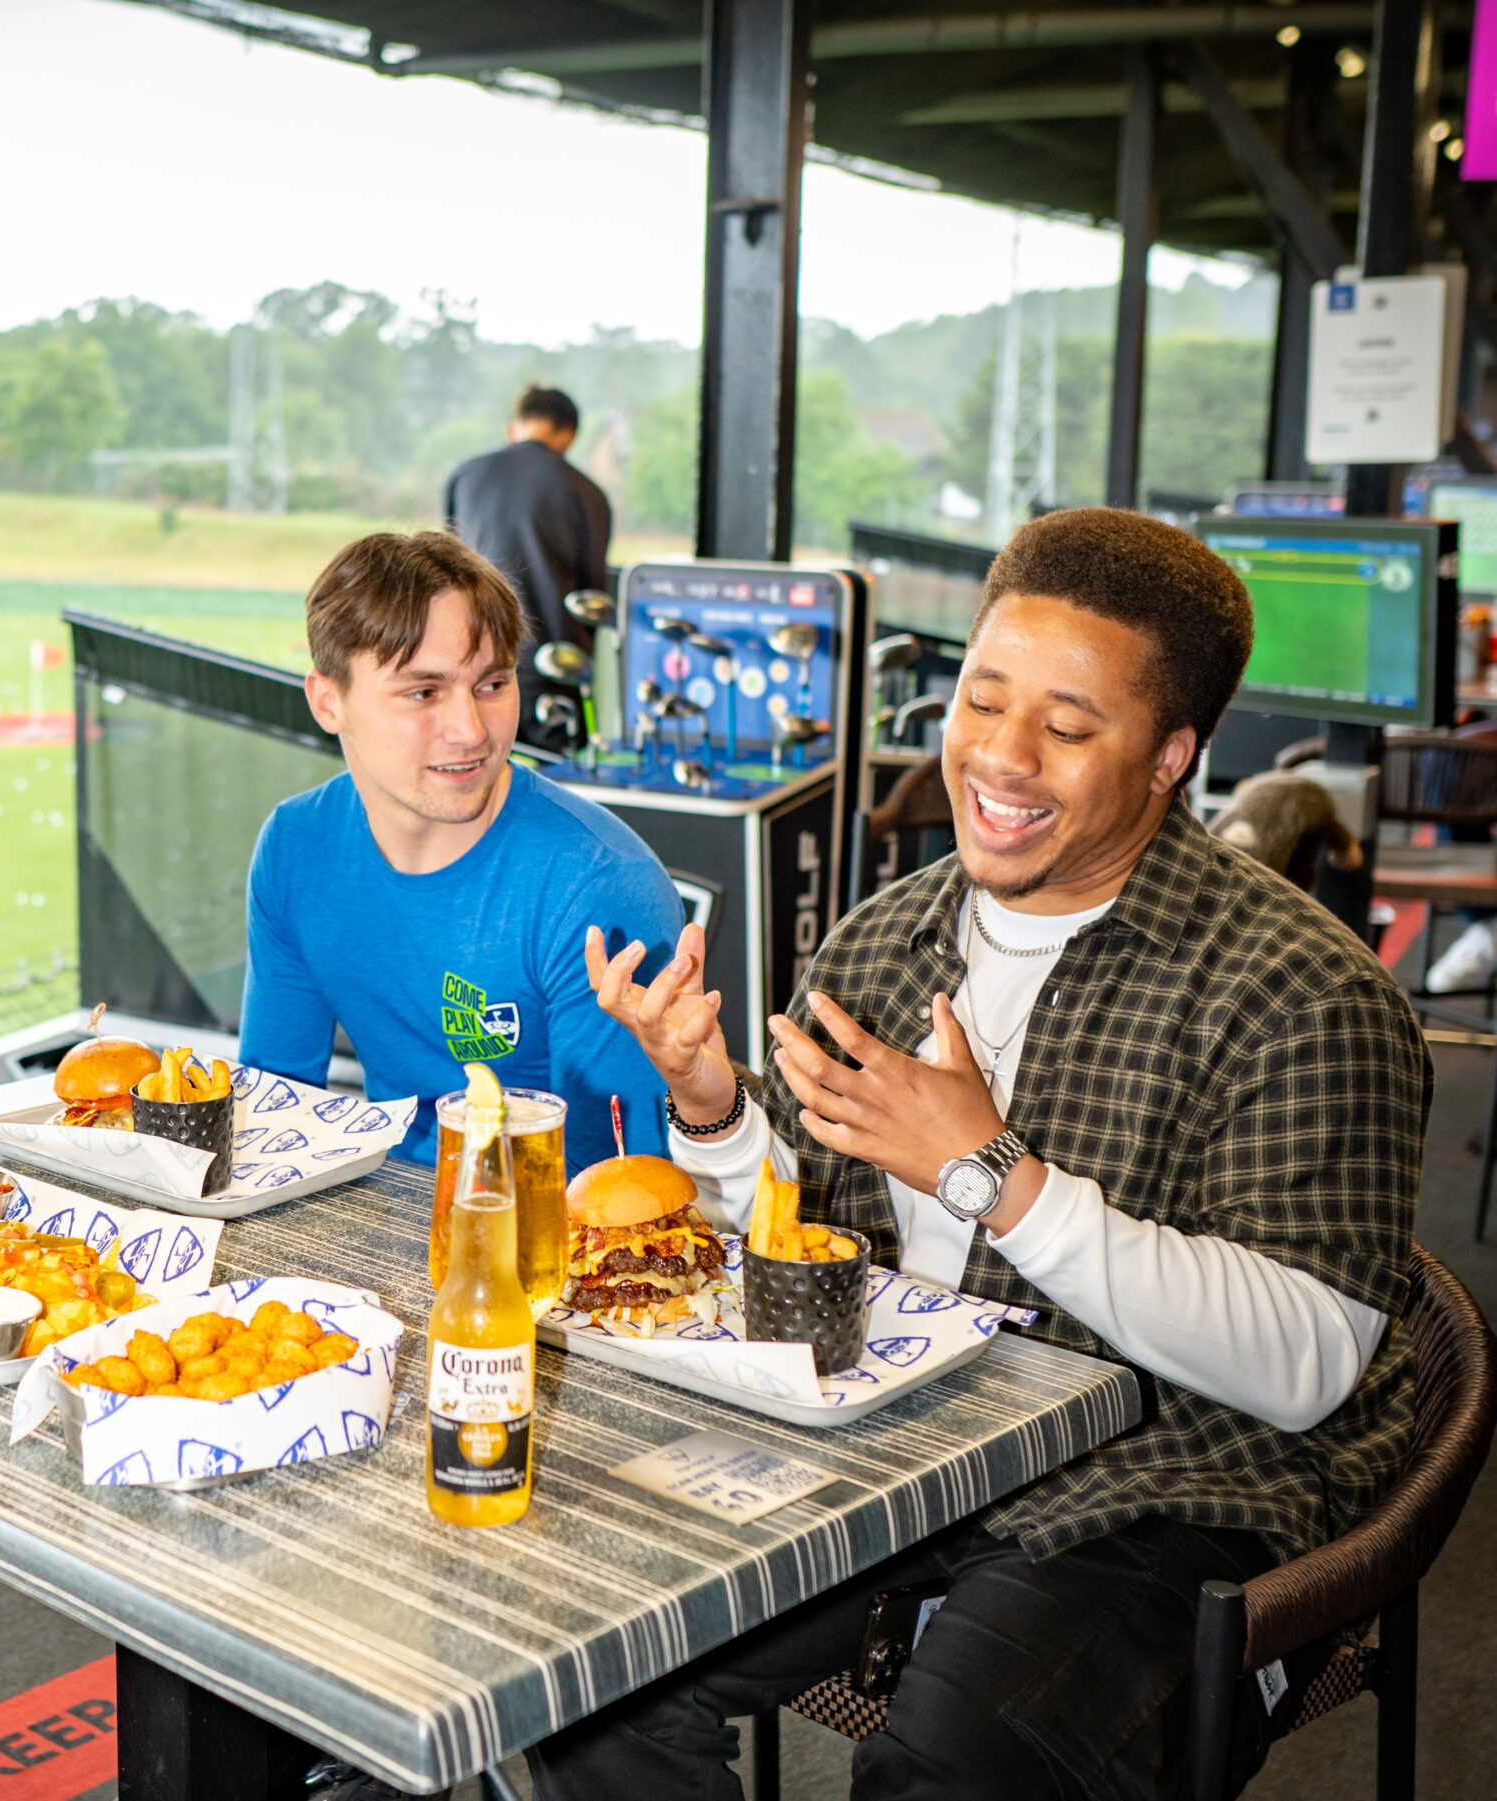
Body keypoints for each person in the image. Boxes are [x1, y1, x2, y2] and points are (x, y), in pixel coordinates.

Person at [550, 508, 1423, 1801]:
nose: (1002, 756)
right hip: (881, 1442)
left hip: (1164, 1484)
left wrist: (990, 1175)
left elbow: (1303, 1366)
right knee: (580, 1679)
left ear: (1171, 755)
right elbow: (793, 1247)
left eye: (1067, 728)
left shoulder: (1303, 993)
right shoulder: (882, 938)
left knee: (947, 1772)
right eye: (982, 700)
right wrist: (713, 1105)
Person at [239, 530, 684, 1176]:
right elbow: (276, 1119)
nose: (471, 731)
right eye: (424, 692)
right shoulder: (295, 847)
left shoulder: (600, 886)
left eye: (493, 684)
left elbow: (622, 1193)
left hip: (550, 1221)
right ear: (328, 701)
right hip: (386, 1199)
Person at [442, 384, 613, 748]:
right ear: (568, 434)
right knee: (555, 773)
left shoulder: (464, 477)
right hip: (553, 669)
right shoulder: (586, 492)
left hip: (472, 665)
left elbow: (445, 572)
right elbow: (591, 595)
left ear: (514, 427)